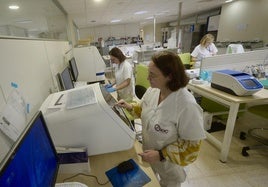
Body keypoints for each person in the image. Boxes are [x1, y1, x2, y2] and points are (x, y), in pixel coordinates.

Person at [116, 50, 206, 187]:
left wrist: (161, 155)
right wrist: (130, 107)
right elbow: (144, 110)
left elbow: (191, 148)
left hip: (170, 166)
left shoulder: (187, 105)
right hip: (150, 155)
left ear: (169, 76)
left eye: (152, 75)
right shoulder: (153, 90)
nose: (147, 78)